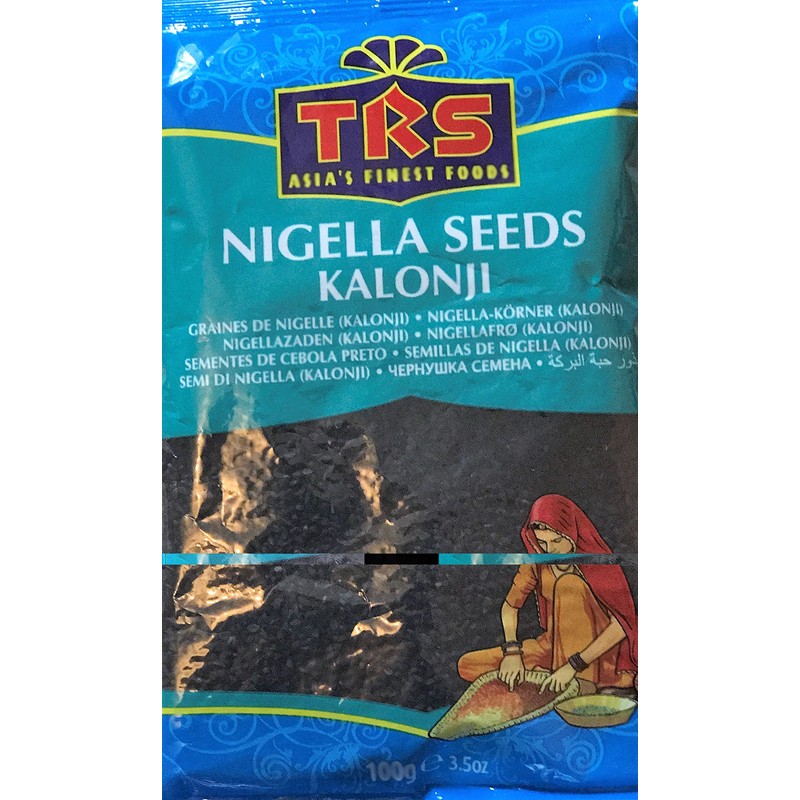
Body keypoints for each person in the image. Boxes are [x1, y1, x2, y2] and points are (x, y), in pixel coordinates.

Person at [457, 494, 637, 694]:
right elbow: (510, 606)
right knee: (468, 665)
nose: (550, 550)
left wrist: (573, 665)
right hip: (553, 646)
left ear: (573, 532)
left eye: (557, 540)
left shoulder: (598, 562)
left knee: (568, 584)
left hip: (598, 654)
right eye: (543, 543)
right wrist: (512, 652)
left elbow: (621, 624)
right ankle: (546, 677)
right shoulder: (537, 562)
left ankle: (574, 682)